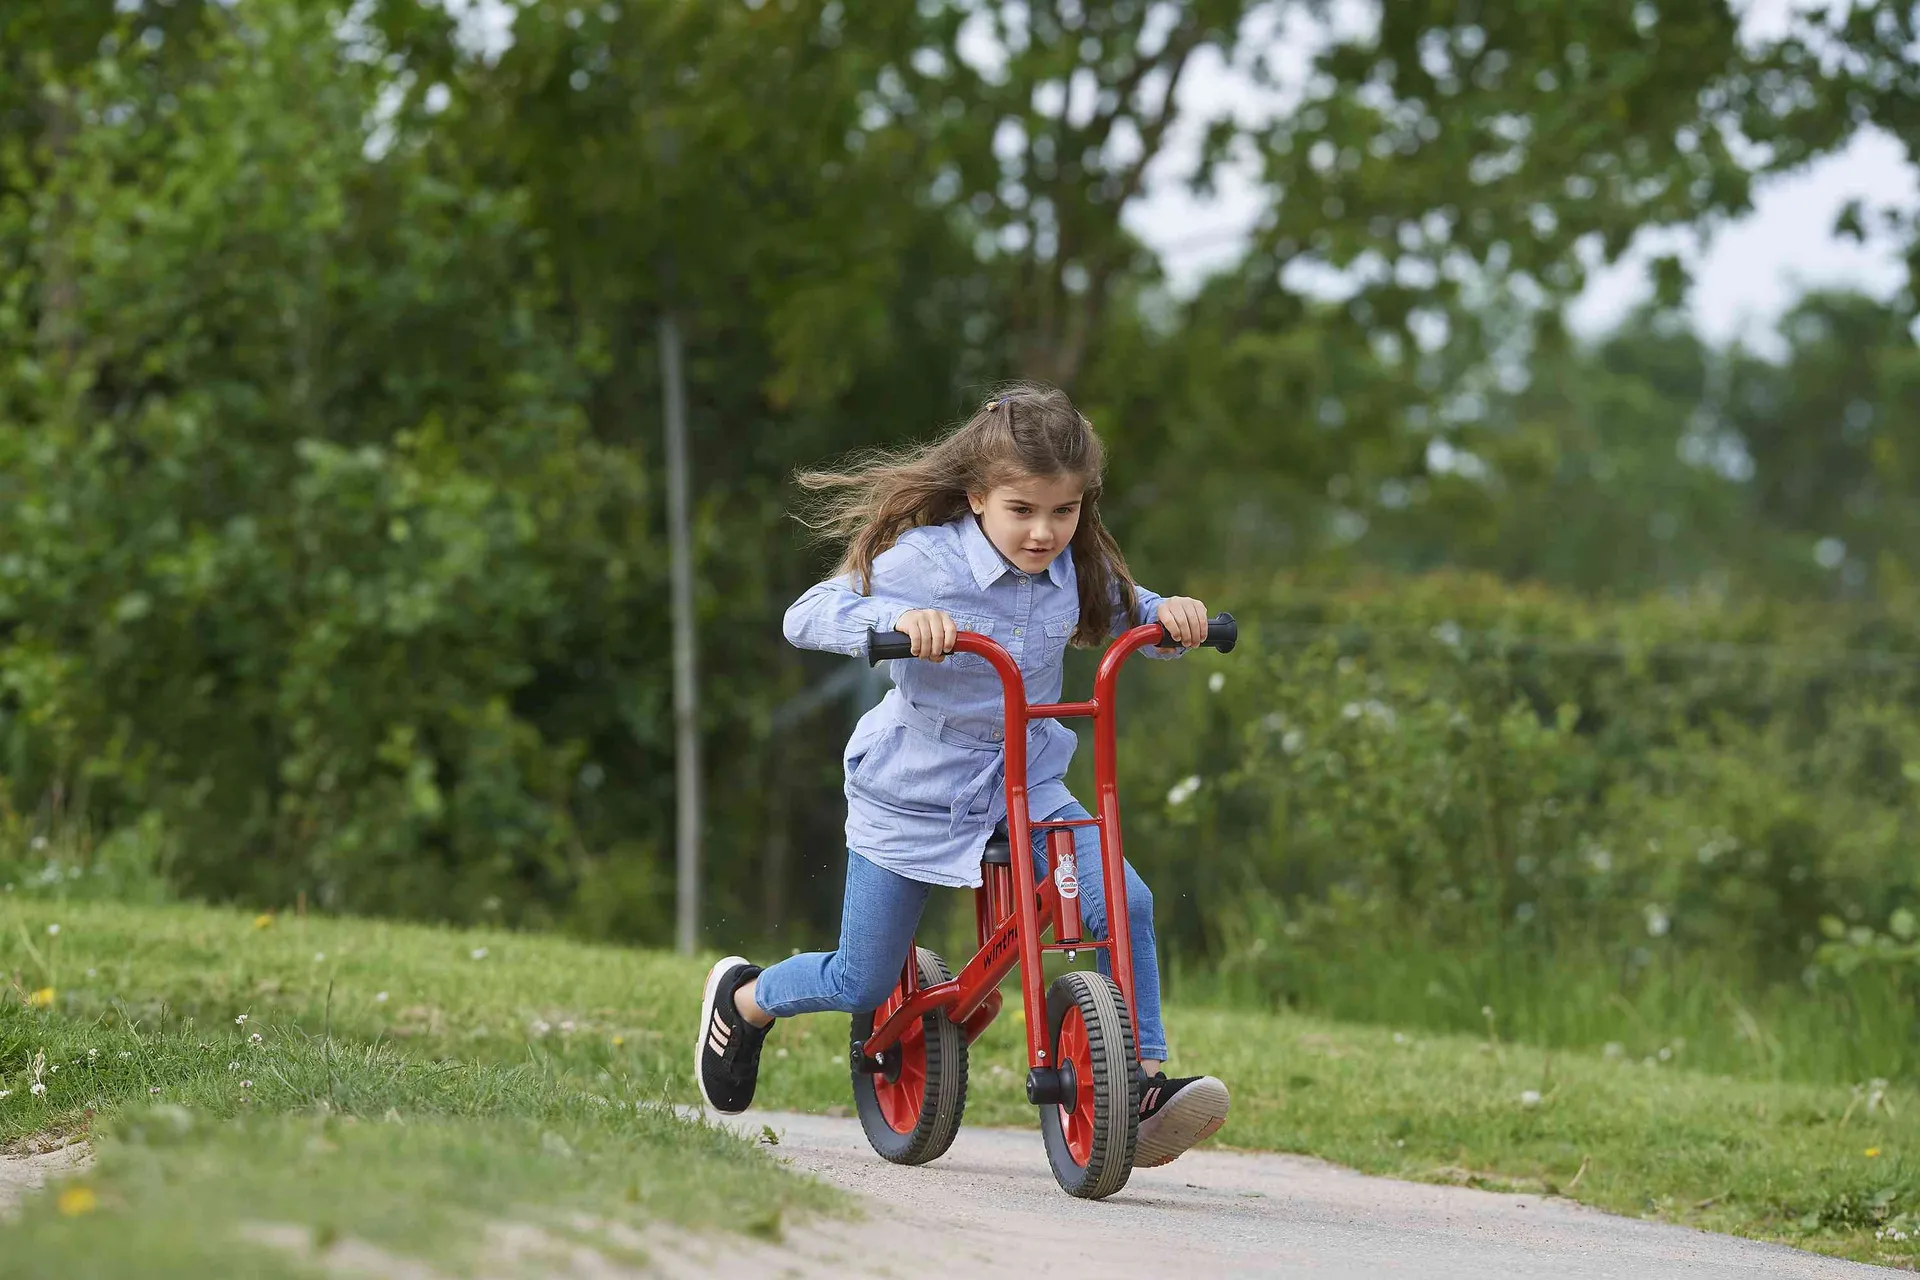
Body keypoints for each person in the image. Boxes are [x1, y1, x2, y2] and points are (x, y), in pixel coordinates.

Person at [695, 383, 1230, 1168]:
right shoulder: (924, 561)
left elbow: (1131, 612)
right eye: (1023, 510)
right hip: (913, 791)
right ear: (977, 496)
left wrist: (1171, 617)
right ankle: (745, 1001)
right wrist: (898, 625)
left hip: (1029, 783)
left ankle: (1140, 1087)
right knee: (862, 974)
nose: (1045, 532)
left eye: (1064, 511)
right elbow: (806, 615)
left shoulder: (1075, 565)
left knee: (1128, 901)